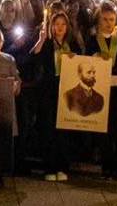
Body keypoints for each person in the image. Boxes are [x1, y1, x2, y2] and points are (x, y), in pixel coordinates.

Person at [85, 3, 117, 180]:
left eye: (111, 19)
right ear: (99, 20)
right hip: (101, 89)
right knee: (104, 129)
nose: (108, 23)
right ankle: (107, 166)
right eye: (105, 20)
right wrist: (94, 57)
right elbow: (86, 60)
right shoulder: (93, 39)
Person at [31, 10, 81, 181]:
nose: (60, 28)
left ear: (67, 27)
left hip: (67, 89)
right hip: (49, 89)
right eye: (56, 24)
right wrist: (41, 39)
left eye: (63, 24)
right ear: (51, 26)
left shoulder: (71, 44)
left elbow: (81, 63)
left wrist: (75, 59)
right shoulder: (47, 44)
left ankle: (63, 166)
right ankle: (49, 167)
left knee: (64, 129)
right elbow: (33, 58)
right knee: (48, 128)